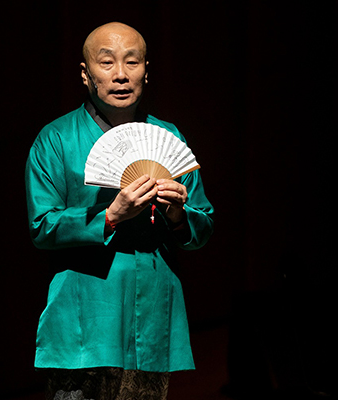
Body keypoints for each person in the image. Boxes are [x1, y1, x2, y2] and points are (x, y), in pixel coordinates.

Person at [25, 22, 214, 400]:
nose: (121, 75)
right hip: (85, 318)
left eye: (132, 61)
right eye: (107, 62)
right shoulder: (56, 139)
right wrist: (110, 214)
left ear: (147, 70)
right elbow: (41, 226)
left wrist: (178, 215)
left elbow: (203, 223)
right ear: (85, 74)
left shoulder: (168, 137)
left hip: (153, 311)